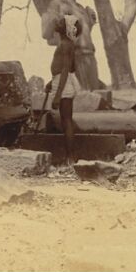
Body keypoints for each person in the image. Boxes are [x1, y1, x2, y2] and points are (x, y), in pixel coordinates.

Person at [46, 14, 82, 163]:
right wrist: (51, 82)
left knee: (66, 120)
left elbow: (66, 69)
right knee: (65, 120)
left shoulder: (66, 44)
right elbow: (63, 68)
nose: (57, 21)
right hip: (61, 81)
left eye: (61, 21)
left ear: (66, 28)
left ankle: (70, 157)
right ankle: (69, 156)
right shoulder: (64, 44)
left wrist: (57, 95)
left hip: (64, 84)